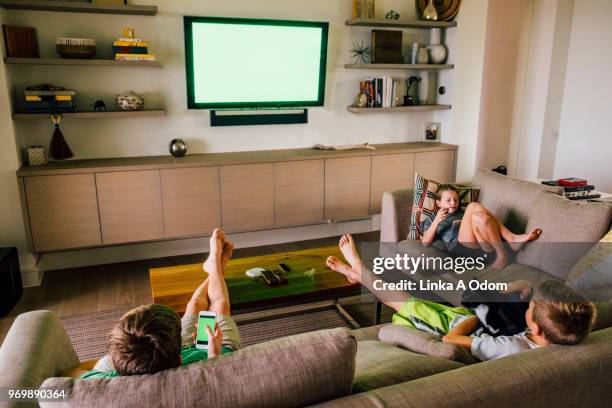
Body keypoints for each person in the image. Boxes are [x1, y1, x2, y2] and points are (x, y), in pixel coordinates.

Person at [326, 234, 596, 361]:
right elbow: (528, 305)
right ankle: (359, 276)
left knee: (400, 300)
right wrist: (518, 288)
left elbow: (451, 340)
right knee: (421, 289)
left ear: (535, 326)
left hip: (451, 327)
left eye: (532, 305)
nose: (529, 304)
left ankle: (359, 269)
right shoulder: (549, 333)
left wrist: (473, 318)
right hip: (463, 319)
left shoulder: (512, 349)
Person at [64, 228, 240, 378]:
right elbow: (217, 377)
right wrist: (213, 354)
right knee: (219, 305)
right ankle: (215, 266)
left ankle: (215, 268)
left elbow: (72, 372)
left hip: (157, 353)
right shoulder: (195, 367)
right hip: (207, 351)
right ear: (180, 359)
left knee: (194, 305)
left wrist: (116, 360)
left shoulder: (106, 374)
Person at [421, 184, 542, 270]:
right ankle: (511, 238)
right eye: (448, 200)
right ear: (439, 203)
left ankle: (502, 254)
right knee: (473, 206)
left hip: (482, 250)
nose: (453, 203)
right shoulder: (432, 218)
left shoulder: (463, 213)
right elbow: (425, 242)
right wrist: (436, 221)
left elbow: (483, 224)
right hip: (459, 250)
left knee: (481, 217)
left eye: (456, 200)